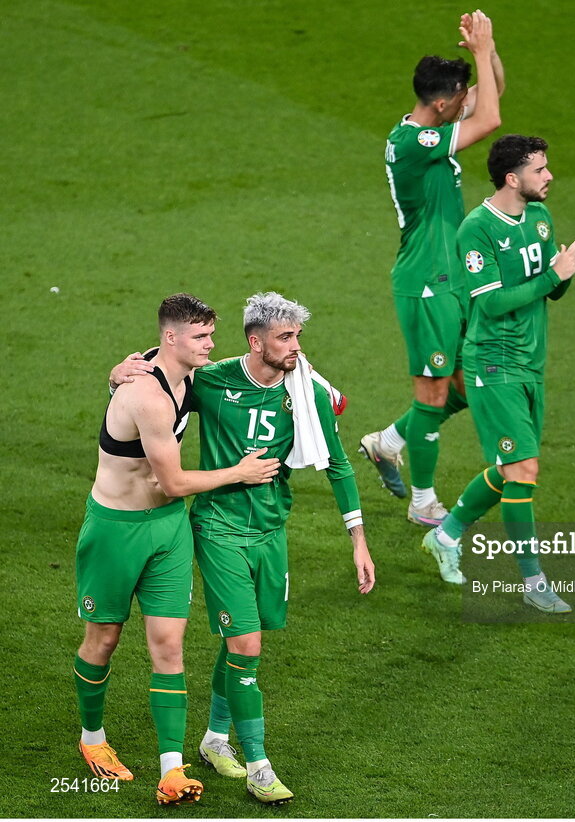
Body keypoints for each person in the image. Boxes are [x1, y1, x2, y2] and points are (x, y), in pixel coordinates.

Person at [111, 292, 375, 805]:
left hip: (273, 531)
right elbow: (162, 370)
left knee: (242, 642)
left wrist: (358, 542)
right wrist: (123, 369)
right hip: (219, 528)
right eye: (285, 338)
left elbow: (338, 465)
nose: (296, 347)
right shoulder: (213, 381)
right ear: (256, 342)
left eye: (298, 336)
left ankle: (213, 740)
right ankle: (258, 765)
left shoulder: (306, 392)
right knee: (247, 645)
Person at [74, 294, 279, 806]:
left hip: (167, 531)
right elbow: (172, 481)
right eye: (200, 337)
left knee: (169, 647)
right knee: (103, 639)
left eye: (211, 334)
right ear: (171, 338)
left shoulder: (187, 374)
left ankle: (171, 770)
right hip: (116, 530)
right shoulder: (147, 394)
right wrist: (239, 472)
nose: (211, 344)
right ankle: (92, 740)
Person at [421, 135, 575, 613]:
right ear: (512, 178)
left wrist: (569, 269)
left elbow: (548, 293)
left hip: (531, 362)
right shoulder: (476, 230)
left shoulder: (540, 219)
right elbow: (492, 302)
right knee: (524, 470)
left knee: (510, 468)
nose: (550, 176)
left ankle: (447, 533)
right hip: (493, 362)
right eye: (540, 169)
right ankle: (532, 579)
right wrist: (554, 274)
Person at [360, 10, 505, 527]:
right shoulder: (410, 143)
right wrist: (481, 59)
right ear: (443, 103)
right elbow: (490, 120)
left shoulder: (432, 128)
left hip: (453, 279)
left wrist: (483, 54)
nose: (467, 102)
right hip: (425, 282)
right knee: (436, 392)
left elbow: (493, 100)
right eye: (461, 97)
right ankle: (423, 503)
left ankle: (390, 441)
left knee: (466, 385)